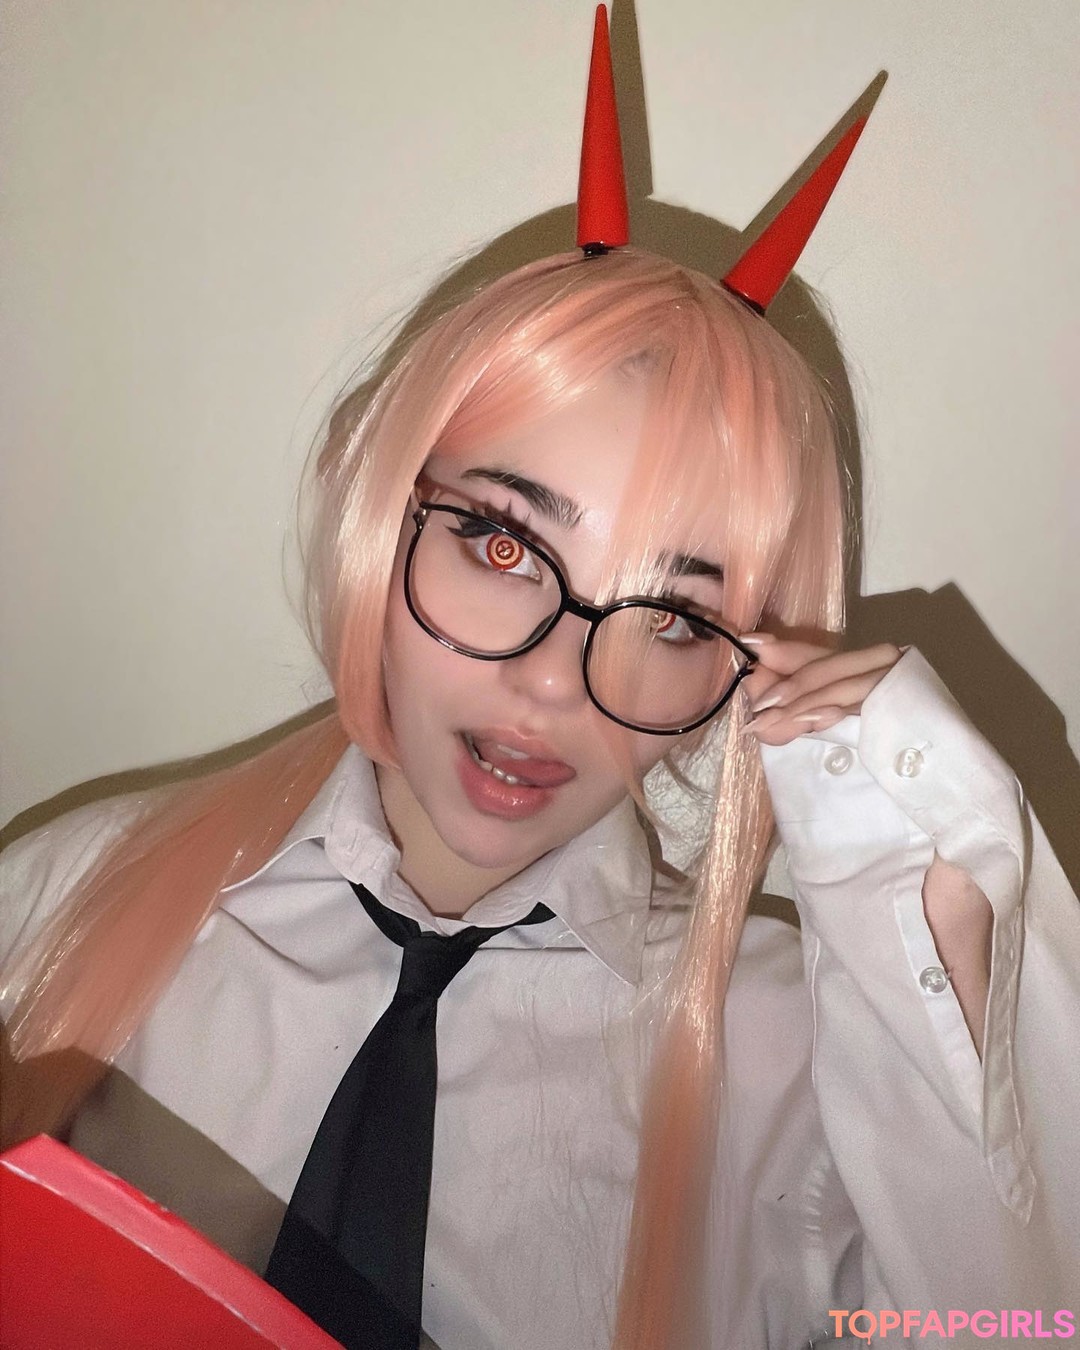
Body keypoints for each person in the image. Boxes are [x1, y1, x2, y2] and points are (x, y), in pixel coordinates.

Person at [2, 9, 1078, 1350]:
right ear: (382, 502)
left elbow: (1020, 1322)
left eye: (672, 615)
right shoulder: (57, 904)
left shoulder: (802, 1069)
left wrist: (933, 908)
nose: (559, 683)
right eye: (505, 544)